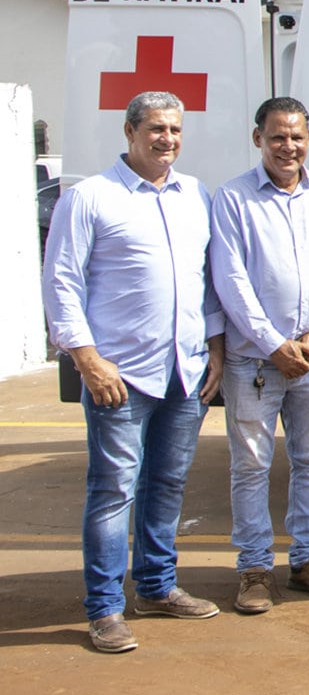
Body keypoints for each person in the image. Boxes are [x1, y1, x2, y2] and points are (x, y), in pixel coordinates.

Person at [42, 92, 225, 653]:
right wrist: (86, 359)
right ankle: (104, 609)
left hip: (185, 370)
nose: (166, 138)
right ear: (129, 131)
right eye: (154, 128)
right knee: (114, 489)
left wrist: (214, 348)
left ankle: (157, 586)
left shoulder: (194, 193)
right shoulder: (91, 197)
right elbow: (62, 282)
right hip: (119, 374)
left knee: (167, 484)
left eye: (174, 129)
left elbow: (204, 280)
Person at [211, 97, 309, 612]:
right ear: (258, 139)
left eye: (296, 137)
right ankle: (254, 570)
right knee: (251, 465)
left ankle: (308, 562)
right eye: (277, 137)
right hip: (255, 360)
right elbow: (230, 280)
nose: (287, 147)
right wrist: (274, 344)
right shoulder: (232, 199)